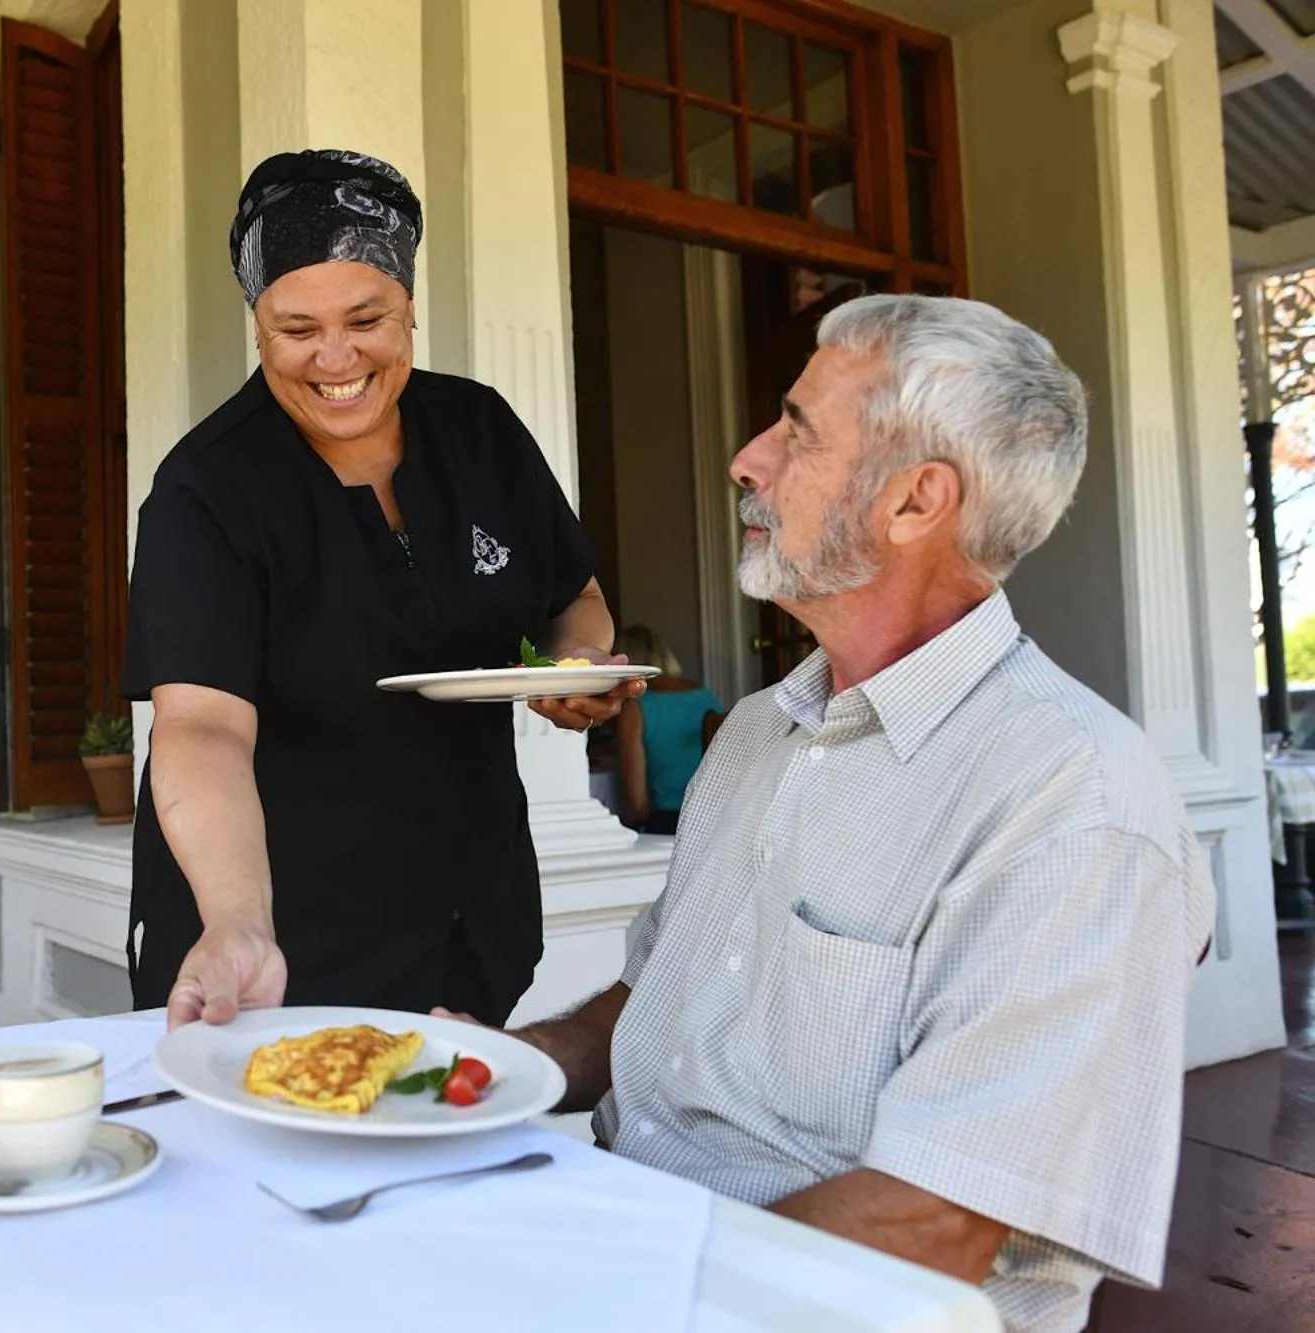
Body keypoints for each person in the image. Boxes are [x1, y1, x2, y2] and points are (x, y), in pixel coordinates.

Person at [441, 295, 1214, 1333]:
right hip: (627, 1240)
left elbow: (930, 1222)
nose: (746, 460)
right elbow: (658, 1003)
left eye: (797, 430)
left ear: (913, 501)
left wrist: (615, 1281)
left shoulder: (1072, 804)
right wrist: (504, 1066)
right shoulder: (759, 733)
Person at [124, 149, 642, 1030]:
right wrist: (241, 920)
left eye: (367, 318)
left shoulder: (480, 430)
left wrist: (576, 663)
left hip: (469, 925)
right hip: (279, 955)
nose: (335, 357)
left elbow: (573, 594)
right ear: (258, 325)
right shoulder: (207, 491)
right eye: (297, 329)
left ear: (409, 311)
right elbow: (203, 726)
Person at [612, 624, 722, 834]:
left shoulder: (636, 706)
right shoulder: (706, 696)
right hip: (716, 823)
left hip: (669, 825)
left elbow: (637, 807)